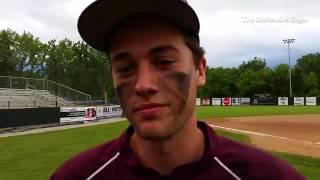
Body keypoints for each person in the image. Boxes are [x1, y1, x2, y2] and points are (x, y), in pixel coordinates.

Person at [51, 0, 305, 179]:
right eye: (126, 68)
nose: (143, 85)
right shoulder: (75, 176)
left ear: (200, 70)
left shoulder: (270, 176)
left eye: (163, 62)